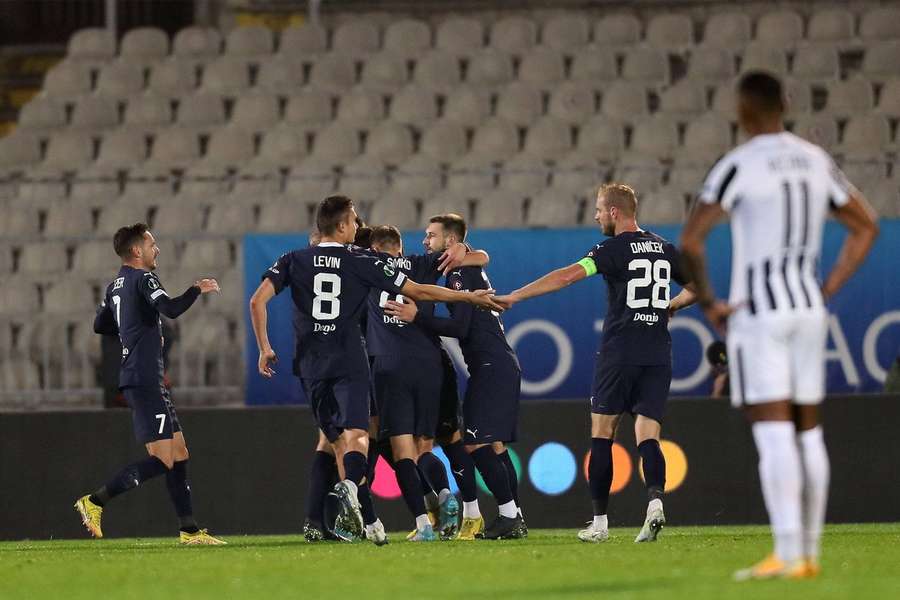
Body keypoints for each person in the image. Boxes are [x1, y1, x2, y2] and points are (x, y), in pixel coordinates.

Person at [680, 71, 879, 580]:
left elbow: (693, 240)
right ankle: (808, 554)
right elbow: (865, 225)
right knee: (808, 430)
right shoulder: (816, 159)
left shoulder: (739, 164)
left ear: (743, 111)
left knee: (773, 434)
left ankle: (786, 553)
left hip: (759, 313)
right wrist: (829, 286)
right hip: (808, 308)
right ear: (783, 105)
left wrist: (708, 304)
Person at [249, 196, 503, 543]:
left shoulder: (293, 259)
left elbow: (257, 300)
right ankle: (362, 494)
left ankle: (375, 519)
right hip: (369, 362)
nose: (357, 227)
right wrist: (469, 297)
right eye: (353, 221)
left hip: (316, 364)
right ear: (341, 226)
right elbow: (418, 289)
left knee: (339, 443)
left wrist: (264, 348)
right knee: (376, 440)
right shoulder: (361, 260)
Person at [493, 184, 694, 544]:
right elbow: (701, 288)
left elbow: (567, 275)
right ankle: (654, 503)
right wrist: (673, 306)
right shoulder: (665, 248)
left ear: (615, 212)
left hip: (620, 351)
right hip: (658, 353)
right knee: (649, 435)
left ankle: (600, 523)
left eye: (600, 209)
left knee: (603, 435)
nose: (596, 216)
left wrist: (517, 296)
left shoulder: (612, 249)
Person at [74, 223, 225, 545]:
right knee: (162, 459)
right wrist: (196, 289)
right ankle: (94, 501)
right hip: (143, 379)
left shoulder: (115, 285)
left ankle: (190, 531)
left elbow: (100, 324)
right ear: (137, 251)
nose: (157, 249)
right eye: (152, 244)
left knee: (180, 452)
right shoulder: (144, 279)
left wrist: (132, 329)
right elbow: (170, 308)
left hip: (145, 378)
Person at [386, 213, 525, 540]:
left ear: (449, 241)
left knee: (476, 443)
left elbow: (460, 327)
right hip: (497, 363)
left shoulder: (460, 272)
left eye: (431, 235)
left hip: (490, 365)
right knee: (495, 446)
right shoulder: (470, 266)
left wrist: (417, 317)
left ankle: (509, 515)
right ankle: (514, 514)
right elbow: (479, 257)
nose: (425, 241)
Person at [366, 225, 488, 541]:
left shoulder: (365, 266)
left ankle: (424, 525)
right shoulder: (420, 263)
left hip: (390, 365)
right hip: (430, 364)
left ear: (374, 249)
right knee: (425, 446)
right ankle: (446, 492)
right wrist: (463, 249)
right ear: (400, 248)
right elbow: (473, 257)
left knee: (402, 450)